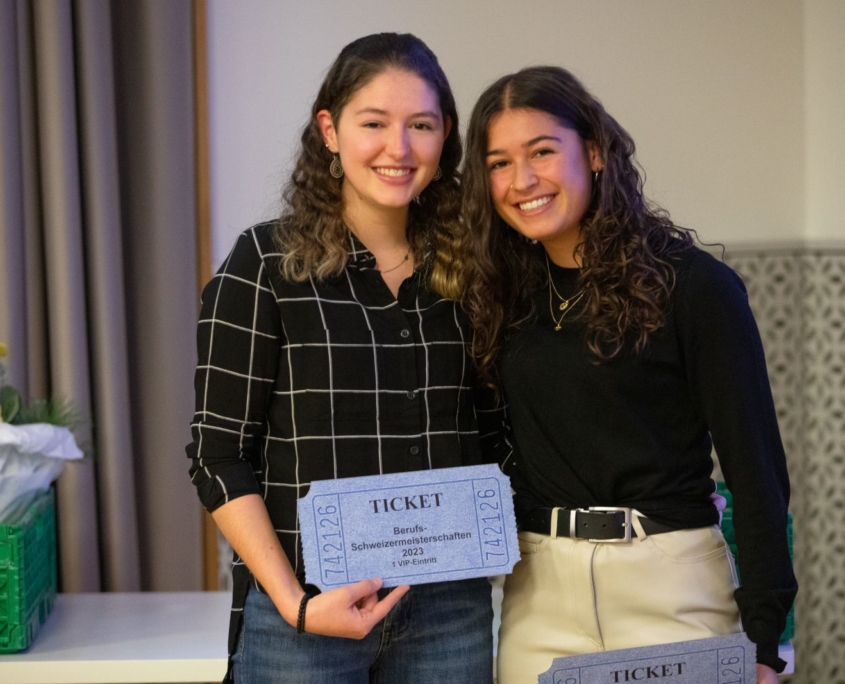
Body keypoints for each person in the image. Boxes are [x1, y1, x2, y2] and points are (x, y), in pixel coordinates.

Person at [459, 66, 797, 684]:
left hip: (671, 588)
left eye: (542, 151)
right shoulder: (502, 296)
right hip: (539, 597)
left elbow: (758, 473)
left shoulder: (694, 287)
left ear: (593, 152)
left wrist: (765, 639)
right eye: (499, 163)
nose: (522, 180)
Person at [187, 33, 501, 684]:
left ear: (445, 136)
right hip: (304, 617)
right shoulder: (264, 265)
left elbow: (497, 435)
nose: (399, 148)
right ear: (329, 131)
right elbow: (217, 455)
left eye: (421, 125)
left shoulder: (475, 267)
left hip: (449, 611)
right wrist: (295, 604)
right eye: (374, 123)